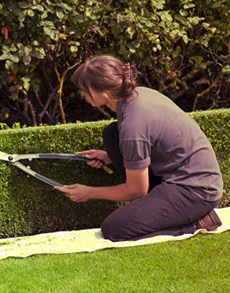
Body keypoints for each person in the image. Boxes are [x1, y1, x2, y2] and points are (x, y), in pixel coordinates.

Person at [55, 55, 223, 242]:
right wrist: (109, 156)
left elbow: (136, 191)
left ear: (102, 92)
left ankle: (198, 222)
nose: (82, 95)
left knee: (114, 229)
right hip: (184, 174)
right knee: (112, 134)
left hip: (195, 190)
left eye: (84, 90)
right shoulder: (137, 95)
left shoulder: (133, 126)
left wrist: (90, 192)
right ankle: (154, 208)